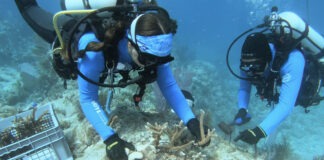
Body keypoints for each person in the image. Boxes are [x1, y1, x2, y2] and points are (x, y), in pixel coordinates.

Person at [14, 0, 211, 159]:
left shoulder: (154, 51)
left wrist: (191, 121)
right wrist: (110, 138)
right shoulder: (94, 50)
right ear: (132, 45)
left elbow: (168, 86)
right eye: (147, 59)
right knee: (29, 9)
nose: (153, 65)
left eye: (161, 59)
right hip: (76, 33)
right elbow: (88, 98)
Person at [233, 8, 324, 145]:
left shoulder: (293, 60)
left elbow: (286, 105)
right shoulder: (248, 63)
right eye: (246, 67)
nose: (251, 72)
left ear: (267, 60)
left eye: (256, 67)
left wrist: (259, 132)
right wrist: (242, 109)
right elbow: (244, 89)